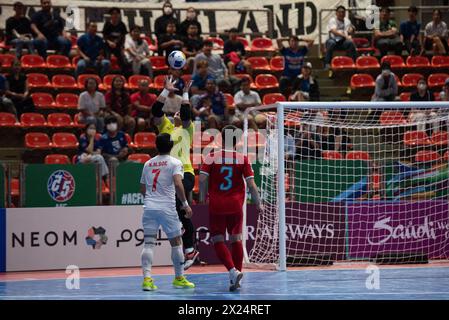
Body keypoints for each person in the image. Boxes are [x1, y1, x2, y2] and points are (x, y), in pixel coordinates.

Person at [199, 125, 262, 291]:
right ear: (237, 140)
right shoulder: (243, 158)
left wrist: (202, 197)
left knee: (217, 239)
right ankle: (237, 276)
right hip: (235, 205)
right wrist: (258, 202)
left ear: (220, 138)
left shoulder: (211, 156)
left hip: (217, 205)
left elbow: (203, 180)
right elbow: (251, 184)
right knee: (236, 239)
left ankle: (233, 271)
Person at [151, 76, 199, 269]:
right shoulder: (166, 127)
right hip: (167, 175)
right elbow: (155, 111)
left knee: (180, 205)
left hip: (185, 173)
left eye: (180, 111)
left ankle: (190, 249)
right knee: (178, 212)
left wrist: (185, 92)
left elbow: (186, 113)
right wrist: (166, 91)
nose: (178, 112)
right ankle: (189, 250)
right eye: (176, 110)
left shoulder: (188, 129)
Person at [140, 133, 195, 291]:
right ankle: (179, 278)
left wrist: (151, 200)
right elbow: (178, 184)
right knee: (177, 243)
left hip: (149, 207)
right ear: (172, 146)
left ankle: (147, 280)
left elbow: (143, 189)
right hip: (167, 208)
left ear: (156, 146)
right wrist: (185, 204)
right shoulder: (175, 162)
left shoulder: (147, 164)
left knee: (149, 243)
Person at [323, 5, 356, 70]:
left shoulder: (347, 20)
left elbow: (351, 29)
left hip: (343, 42)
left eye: (343, 12)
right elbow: (334, 31)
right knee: (331, 43)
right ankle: (327, 64)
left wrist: (352, 29)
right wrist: (345, 36)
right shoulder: (332, 20)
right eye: (339, 12)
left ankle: (352, 62)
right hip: (332, 40)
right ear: (336, 13)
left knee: (350, 43)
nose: (341, 14)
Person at [102, 7, 128, 72]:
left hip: (118, 46)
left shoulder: (122, 25)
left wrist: (122, 47)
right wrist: (110, 42)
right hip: (108, 46)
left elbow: (123, 36)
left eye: (117, 13)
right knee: (107, 61)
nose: (115, 15)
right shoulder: (107, 24)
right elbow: (104, 36)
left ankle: (123, 76)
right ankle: (106, 76)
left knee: (124, 61)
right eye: (113, 14)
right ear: (111, 15)